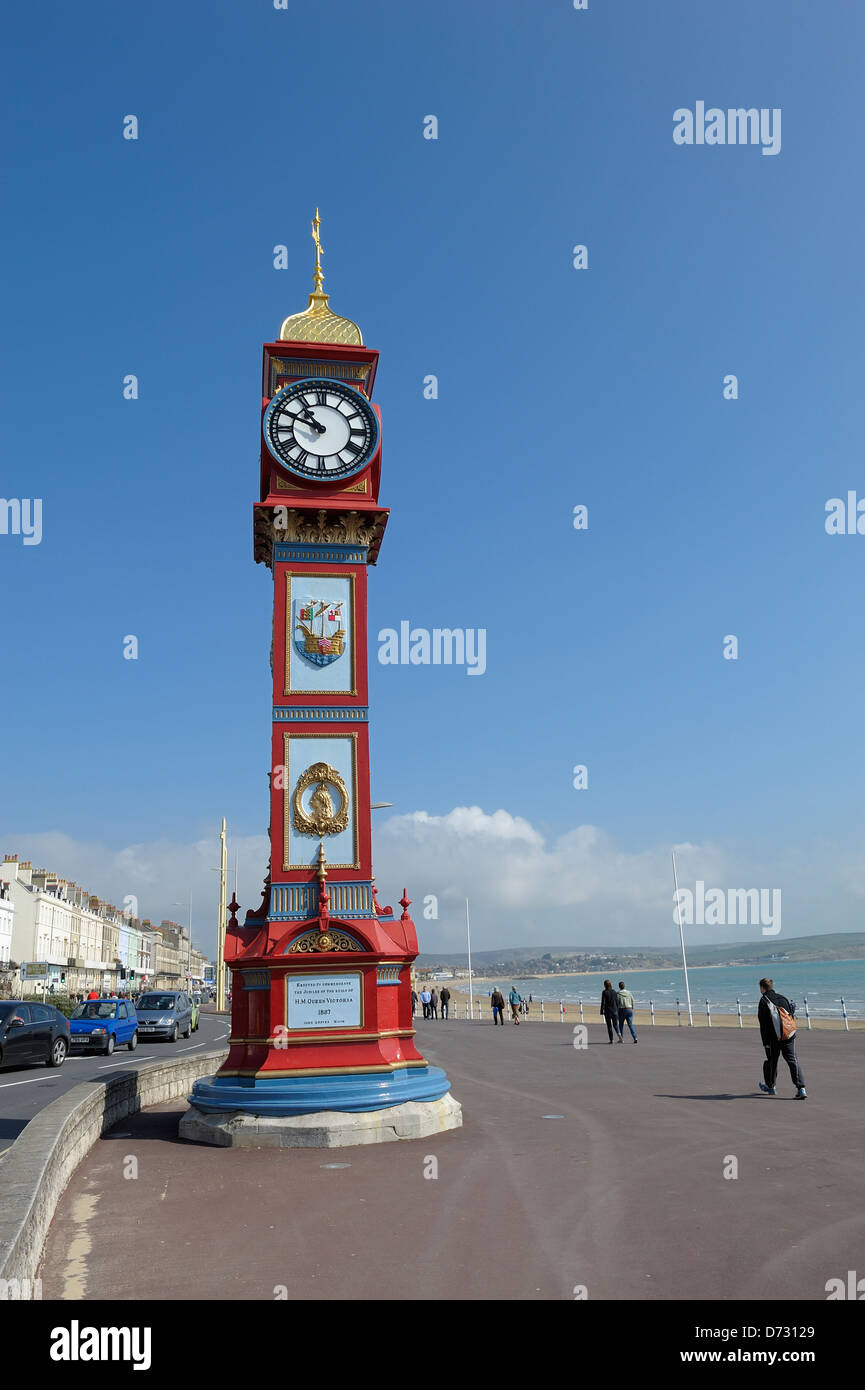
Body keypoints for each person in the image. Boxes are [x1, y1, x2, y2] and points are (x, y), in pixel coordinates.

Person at [757, 978, 806, 1098]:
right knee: (792, 1061)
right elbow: (790, 1017)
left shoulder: (764, 1001)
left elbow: (763, 1024)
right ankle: (801, 1089)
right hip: (788, 1035)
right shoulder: (783, 998)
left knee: (772, 1061)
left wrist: (765, 1042)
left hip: (773, 1038)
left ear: (762, 988)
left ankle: (771, 1087)